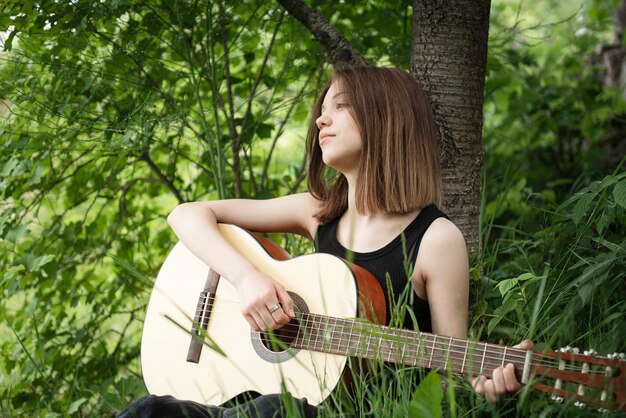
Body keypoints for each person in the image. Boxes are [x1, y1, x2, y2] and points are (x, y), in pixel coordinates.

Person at [117, 66, 531, 418]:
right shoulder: (317, 212)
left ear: (388, 117)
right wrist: (247, 279)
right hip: (258, 400)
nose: (320, 120)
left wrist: (485, 384)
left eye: (341, 105)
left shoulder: (435, 239)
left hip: (345, 410)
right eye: (322, 109)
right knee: (149, 411)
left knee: (276, 410)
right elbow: (186, 214)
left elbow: (449, 370)